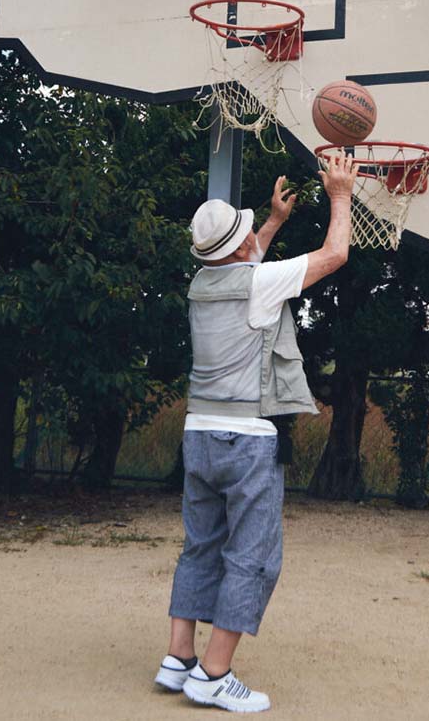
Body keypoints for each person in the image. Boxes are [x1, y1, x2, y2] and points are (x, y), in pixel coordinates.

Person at [155, 151, 358, 713]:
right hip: (246, 440)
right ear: (240, 247)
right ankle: (215, 674)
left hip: (199, 434)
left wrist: (269, 222)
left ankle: (179, 660)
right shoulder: (261, 283)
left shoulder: (203, 284)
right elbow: (335, 254)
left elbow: (245, 263)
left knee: (201, 546)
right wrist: (339, 194)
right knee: (253, 555)